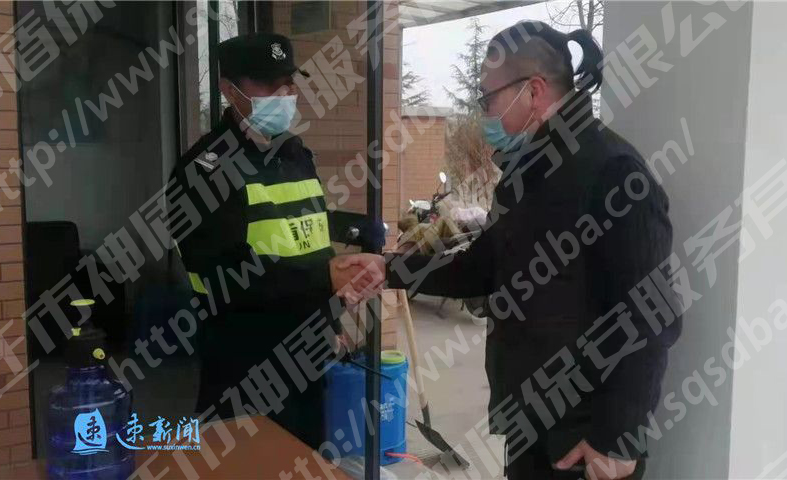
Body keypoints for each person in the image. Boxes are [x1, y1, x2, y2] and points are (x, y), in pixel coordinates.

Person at [341, 22, 681, 479]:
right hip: (530, 421)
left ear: (534, 91)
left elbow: (651, 312)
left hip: (585, 439)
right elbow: (482, 267)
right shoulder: (526, 174)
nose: (483, 112)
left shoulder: (613, 171)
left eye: (488, 98)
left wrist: (617, 436)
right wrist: (389, 268)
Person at [166, 32, 379, 449]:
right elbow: (224, 275)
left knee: (306, 460)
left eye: (288, 82)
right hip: (245, 365)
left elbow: (311, 238)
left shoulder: (295, 155)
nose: (284, 95)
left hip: (308, 357)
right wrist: (325, 279)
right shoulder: (202, 171)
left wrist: (331, 318)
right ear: (230, 91)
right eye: (268, 84)